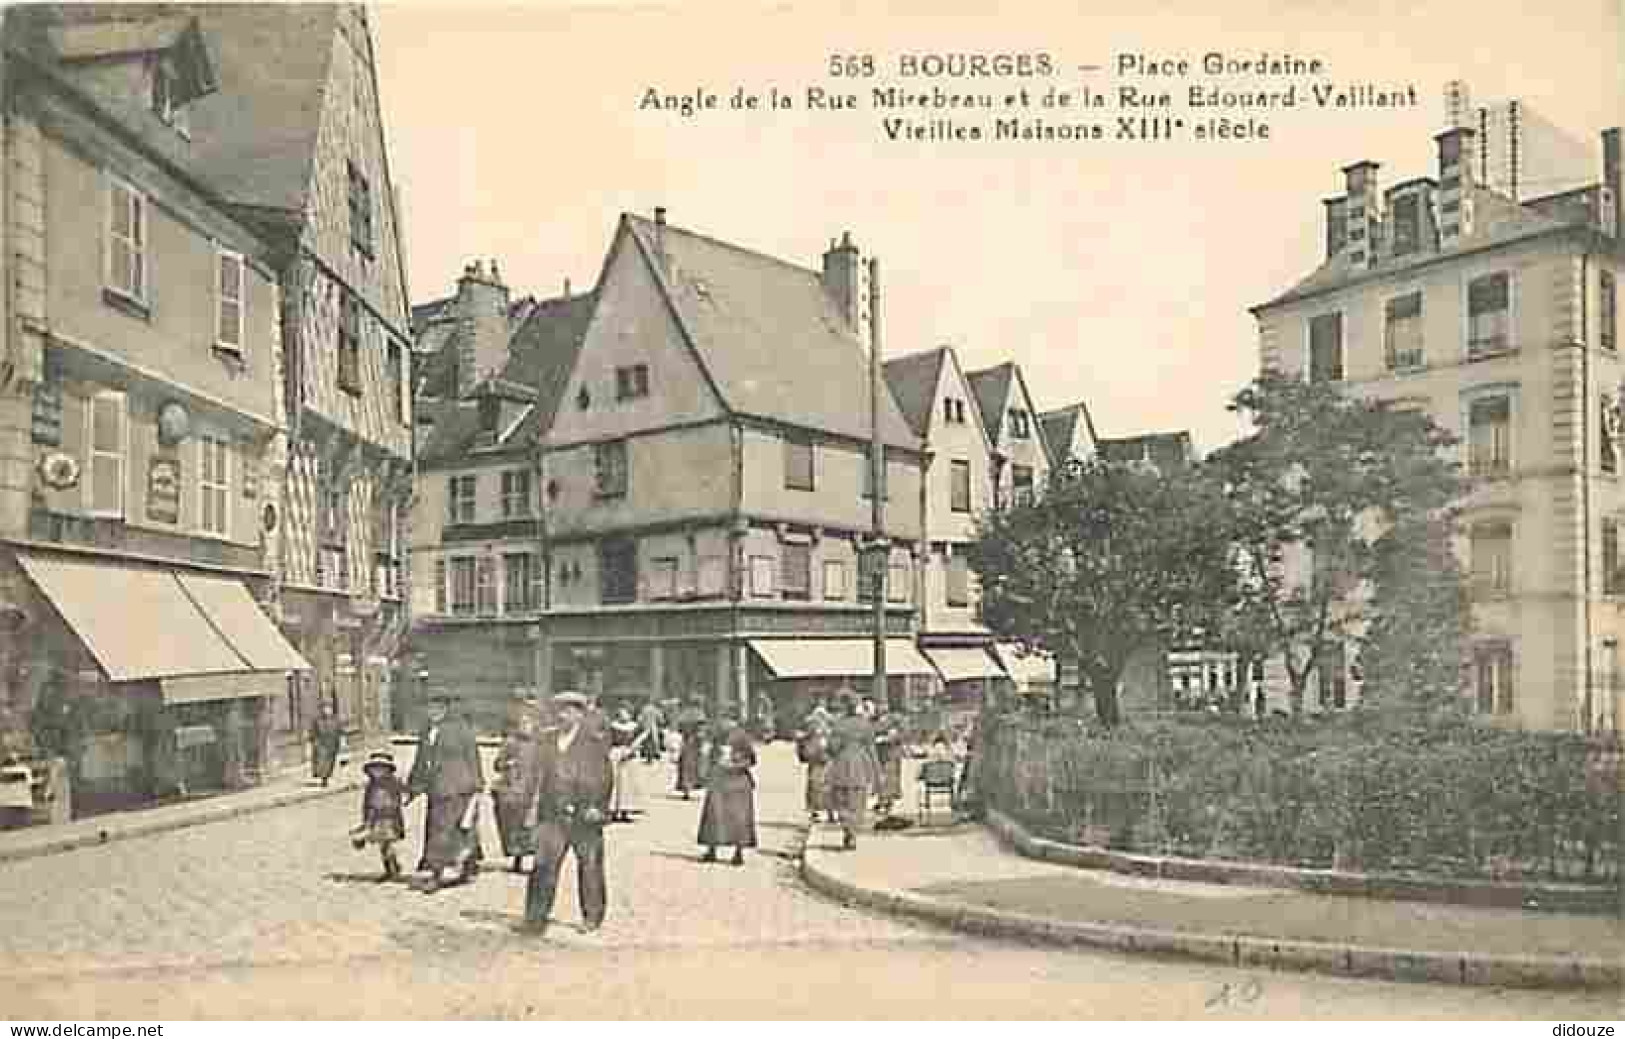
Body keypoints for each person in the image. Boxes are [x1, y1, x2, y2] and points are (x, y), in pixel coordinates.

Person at [520, 691, 614, 937]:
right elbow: (536, 777)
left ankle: (592, 916)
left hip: (585, 816)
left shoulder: (594, 743)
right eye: (559, 710)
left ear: (580, 715)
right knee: (543, 867)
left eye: (569, 711)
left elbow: (605, 778)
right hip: (552, 814)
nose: (563, 716)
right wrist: (530, 809)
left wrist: (598, 807)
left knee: (590, 866)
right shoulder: (547, 741)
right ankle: (535, 918)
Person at [406, 692, 484, 893]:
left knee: (447, 830)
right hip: (436, 789)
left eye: (438, 707)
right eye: (430, 707)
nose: (433, 711)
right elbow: (421, 760)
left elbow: (472, 757)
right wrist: (413, 786)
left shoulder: (460, 730)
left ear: (447, 709)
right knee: (444, 829)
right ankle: (464, 865)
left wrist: (477, 785)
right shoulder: (427, 731)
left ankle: (437, 873)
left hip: (457, 787)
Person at [824, 693, 880, 851]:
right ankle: (853, 833)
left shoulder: (839, 725)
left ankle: (848, 829)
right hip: (861, 766)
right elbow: (872, 750)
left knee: (841, 801)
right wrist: (877, 773)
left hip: (841, 766)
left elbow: (832, 748)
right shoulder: (865, 725)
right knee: (858, 803)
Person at [697, 724, 757, 866]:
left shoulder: (740, 737)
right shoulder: (719, 736)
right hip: (723, 780)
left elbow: (751, 760)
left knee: (734, 817)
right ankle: (715, 849)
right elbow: (708, 758)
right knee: (716, 815)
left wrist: (734, 765)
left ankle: (737, 852)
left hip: (735, 781)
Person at [491, 711, 542, 872]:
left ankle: (532, 861)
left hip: (530, 789)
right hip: (512, 789)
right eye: (523, 724)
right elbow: (497, 764)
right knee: (512, 825)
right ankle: (516, 859)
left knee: (530, 827)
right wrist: (507, 763)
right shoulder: (510, 743)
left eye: (530, 724)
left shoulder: (539, 746)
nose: (527, 727)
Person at [352, 750, 407, 881]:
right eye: (374, 769)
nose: (377, 772)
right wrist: (366, 820)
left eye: (381, 769)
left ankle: (393, 869)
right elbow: (367, 803)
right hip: (376, 819)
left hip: (389, 819)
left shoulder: (393, 783)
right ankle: (390, 868)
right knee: (383, 846)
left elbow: (399, 797)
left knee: (387, 845)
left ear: (388, 770)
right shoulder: (371, 786)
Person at [607, 707, 646, 823]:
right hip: (616, 753)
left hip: (630, 756)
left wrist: (634, 748)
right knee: (616, 784)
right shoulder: (613, 726)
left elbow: (641, 736)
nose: (624, 716)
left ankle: (626, 810)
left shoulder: (634, 726)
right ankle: (614, 810)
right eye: (621, 713)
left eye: (626, 713)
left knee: (629, 784)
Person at [796, 705, 832, 823]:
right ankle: (820, 811)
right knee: (818, 784)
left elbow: (801, 739)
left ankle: (820, 810)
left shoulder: (816, 725)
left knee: (818, 785)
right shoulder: (818, 725)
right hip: (819, 758)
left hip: (820, 758)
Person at [872, 708, 904, 815]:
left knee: (889, 780)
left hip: (889, 756)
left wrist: (883, 739)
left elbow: (894, 738)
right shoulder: (876, 724)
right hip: (881, 755)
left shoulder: (892, 726)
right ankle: (883, 801)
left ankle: (887, 803)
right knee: (882, 780)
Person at [674, 699, 706, 800]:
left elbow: (679, 728)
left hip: (685, 743)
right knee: (694, 766)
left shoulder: (684, 714)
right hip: (695, 744)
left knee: (685, 766)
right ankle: (690, 786)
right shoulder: (700, 714)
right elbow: (702, 730)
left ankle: (686, 789)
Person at [309, 702, 343, 788]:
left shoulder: (335, 720)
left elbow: (340, 731)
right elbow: (313, 733)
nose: (326, 710)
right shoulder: (317, 721)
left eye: (328, 709)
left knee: (330, 762)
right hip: (321, 744)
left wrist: (340, 742)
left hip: (332, 743)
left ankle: (326, 777)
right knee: (322, 762)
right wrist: (315, 742)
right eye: (324, 709)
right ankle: (324, 779)